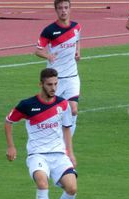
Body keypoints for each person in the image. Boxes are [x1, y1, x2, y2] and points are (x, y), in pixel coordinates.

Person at [5, 68, 77, 199]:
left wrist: (71, 153)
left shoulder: (63, 104)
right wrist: (11, 146)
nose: (53, 88)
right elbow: (8, 122)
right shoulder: (27, 105)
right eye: (50, 84)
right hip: (37, 154)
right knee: (42, 182)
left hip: (59, 154)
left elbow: (67, 128)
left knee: (72, 188)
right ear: (41, 84)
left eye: (55, 84)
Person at [34, 0, 81, 135]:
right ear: (56, 10)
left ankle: (66, 146)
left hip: (72, 76)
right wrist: (48, 56)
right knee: (50, 112)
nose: (63, 11)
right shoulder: (49, 30)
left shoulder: (76, 27)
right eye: (60, 8)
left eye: (66, 7)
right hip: (56, 79)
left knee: (73, 110)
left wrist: (78, 51)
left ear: (70, 9)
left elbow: (77, 40)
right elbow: (38, 50)